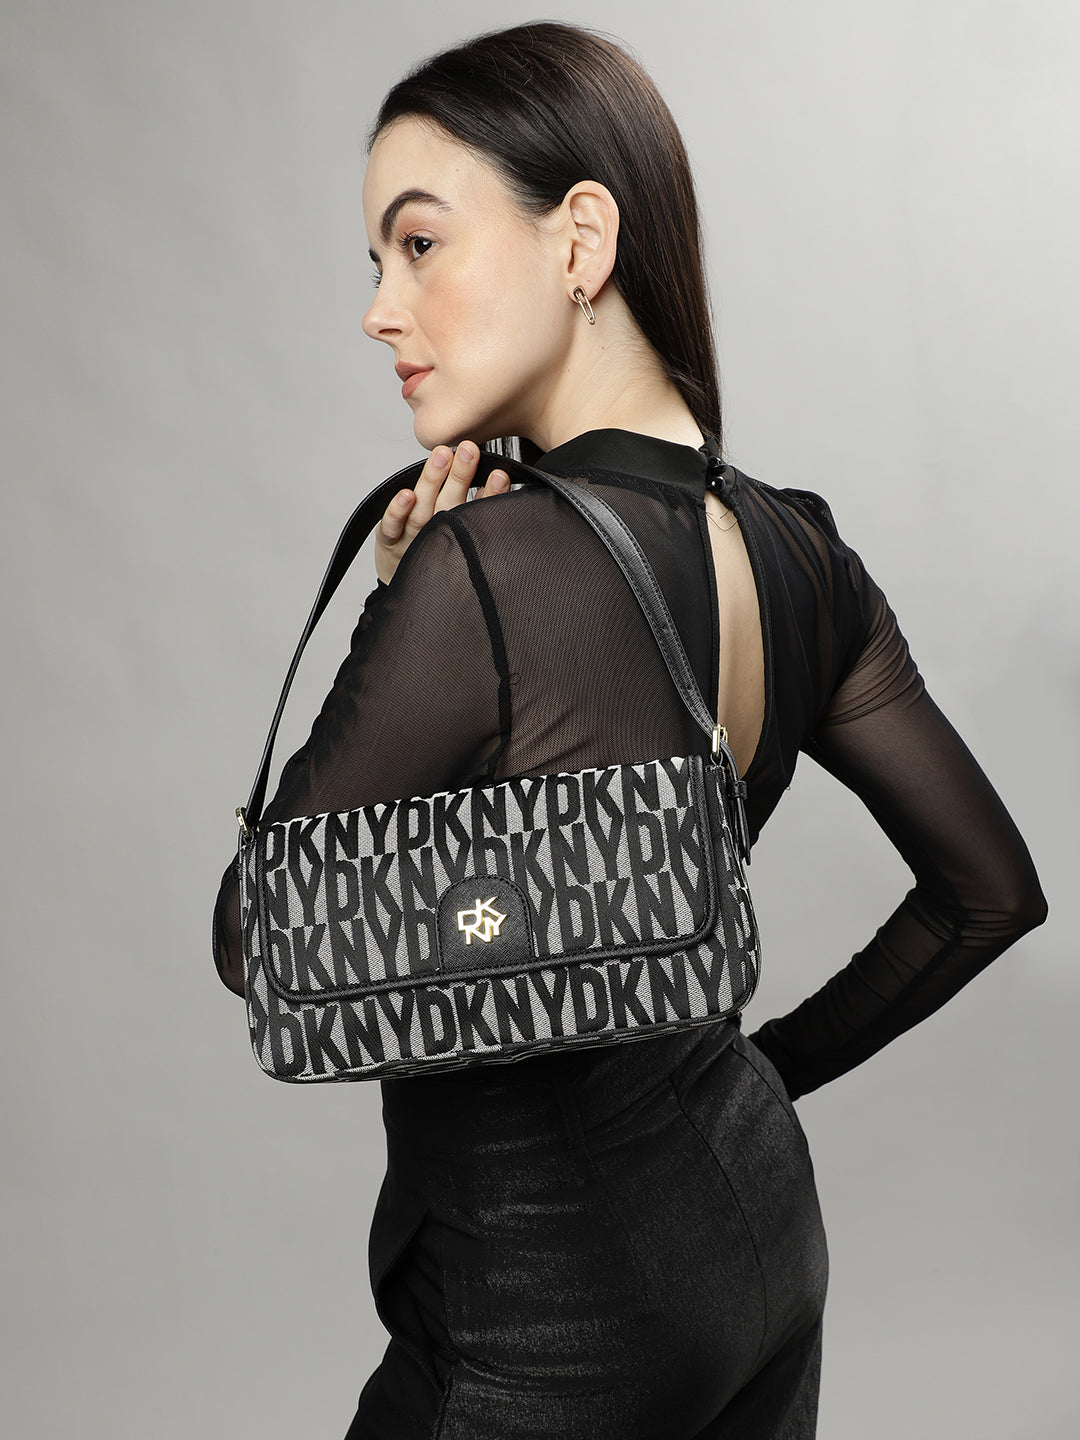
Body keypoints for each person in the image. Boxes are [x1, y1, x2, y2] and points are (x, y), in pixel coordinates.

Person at [212, 22, 1047, 1439]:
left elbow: (261, 940)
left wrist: (396, 607)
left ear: (581, 240)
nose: (379, 310)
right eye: (375, 263)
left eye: (419, 244)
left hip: (541, 1311)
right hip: (760, 1242)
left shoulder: (487, 571)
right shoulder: (803, 551)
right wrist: (760, 1079)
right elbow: (989, 892)